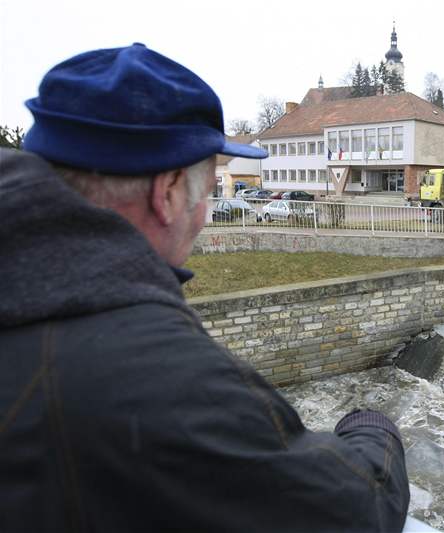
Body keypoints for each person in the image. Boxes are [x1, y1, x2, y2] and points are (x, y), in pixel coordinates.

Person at [0, 43, 409, 532]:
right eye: (212, 188)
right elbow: (353, 510)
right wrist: (373, 428)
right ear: (169, 190)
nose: (207, 211)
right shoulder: (156, 376)